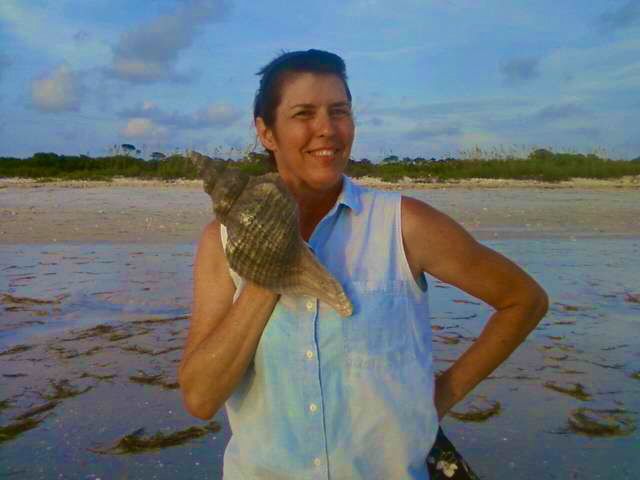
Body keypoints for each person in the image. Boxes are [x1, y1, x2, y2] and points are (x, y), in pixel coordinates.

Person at [178, 49, 549, 479]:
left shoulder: (403, 225)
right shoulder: (220, 241)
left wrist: (441, 395)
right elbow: (201, 398)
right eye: (303, 113)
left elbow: (523, 299)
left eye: (340, 111)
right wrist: (267, 270)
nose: (327, 130)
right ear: (266, 131)